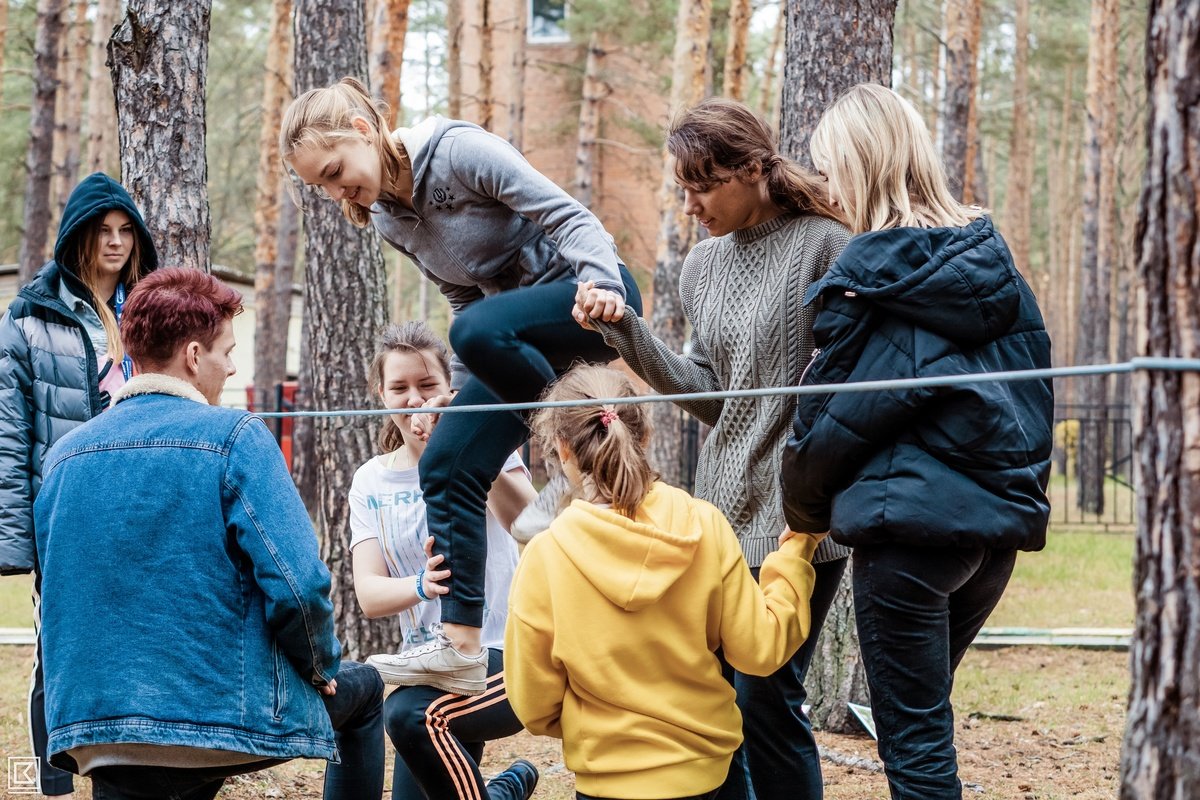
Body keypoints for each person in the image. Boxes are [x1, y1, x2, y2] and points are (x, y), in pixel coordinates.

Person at [280, 77, 643, 695]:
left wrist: (603, 285)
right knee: (444, 463)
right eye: (323, 186)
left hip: (585, 299)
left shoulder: (455, 152)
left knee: (474, 329)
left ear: (365, 131)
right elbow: (462, 295)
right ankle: (461, 645)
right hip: (510, 339)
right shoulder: (388, 220)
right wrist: (465, 394)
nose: (338, 190)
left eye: (337, 170)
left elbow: (566, 213)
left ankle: (566, 478)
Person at [781, 83, 1053, 800]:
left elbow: (826, 429)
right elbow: (1032, 398)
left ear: (861, 166)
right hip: (990, 544)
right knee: (925, 723)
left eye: (832, 167)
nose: (827, 185)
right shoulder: (993, 270)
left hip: (908, 543)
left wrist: (800, 513)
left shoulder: (868, 282)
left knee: (916, 749)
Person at [574, 97, 850, 799]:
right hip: (722, 516)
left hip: (801, 517)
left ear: (753, 168)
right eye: (684, 188)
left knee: (766, 698)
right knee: (714, 699)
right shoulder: (701, 266)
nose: (692, 203)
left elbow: (849, 386)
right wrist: (627, 333)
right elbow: (711, 395)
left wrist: (817, 490)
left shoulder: (825, 244)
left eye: (705, 185)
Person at [32, 268, 385, 800]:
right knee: (368, 692)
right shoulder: (235, 437)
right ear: (194, 357)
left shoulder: (62, 458)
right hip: (214, 718)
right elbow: (298, 587)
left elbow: (54, 592)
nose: (233, 365)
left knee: (137, 765)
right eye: (227, 350)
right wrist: (319, 667)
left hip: (91, 726)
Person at [504, 365, 825, 800]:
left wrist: (591, 724)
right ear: (646, 438)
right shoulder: (703, 524)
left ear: (562, 451)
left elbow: (532, 702)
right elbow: (760, 649)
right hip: (707, 774)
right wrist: (796, 551)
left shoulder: (545, 556)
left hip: (607, 778)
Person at [0, 172, 159, 798]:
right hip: (63, 518)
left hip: (139, 512)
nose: (115, 243)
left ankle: (124, 781)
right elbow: (9, 436)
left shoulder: (150, 313)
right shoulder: (30, 322)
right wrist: (18, 540)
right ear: (77, 237)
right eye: (103, 232)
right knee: (61, 657)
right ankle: (53, 786)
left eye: (125, 232)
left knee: (133, 654)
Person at [348, 321, 539, 800]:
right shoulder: (370, 481)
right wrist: (419, 584)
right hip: (426, 665)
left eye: (427, 385)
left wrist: (463, 451)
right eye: (400, 387)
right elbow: (369, 595)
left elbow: (532, 527)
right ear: (381, 393)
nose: (414, 399)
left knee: (407, 714)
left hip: (502, 656)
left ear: (449, 388)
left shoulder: (489, 445)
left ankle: (505, 790)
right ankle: (503, 792)